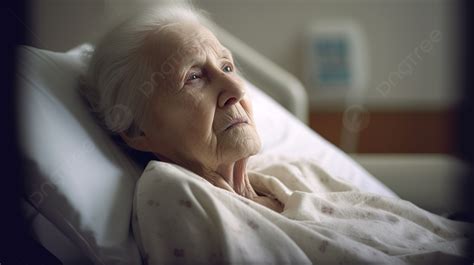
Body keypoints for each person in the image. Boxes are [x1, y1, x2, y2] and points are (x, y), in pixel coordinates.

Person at [81, 3, 473, 264]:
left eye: (228, 67)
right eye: (194, 77)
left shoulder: (294, 173)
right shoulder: (172, 192)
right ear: (135, 129)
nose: (236, 90)